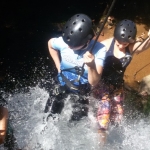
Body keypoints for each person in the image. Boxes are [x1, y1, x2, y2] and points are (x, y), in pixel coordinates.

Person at [92, 19, 150, 132]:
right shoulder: (105, 45)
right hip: (102, 86)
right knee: (104, 120)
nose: (121, 46)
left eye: (125, 44)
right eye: (118, 43)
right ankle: (100, 143)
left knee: (118, 117)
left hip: (118, 87)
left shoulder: (131, 47)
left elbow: (143, 46)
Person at [45, 14, 106, 118]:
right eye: (68, 44)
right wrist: (58, 66)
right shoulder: (65, 43)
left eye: (73, 45)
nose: (69, 47)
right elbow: (50, 44)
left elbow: (94, 81)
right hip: (62, 83)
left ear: (87, 40)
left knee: (77, 121)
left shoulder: (99, 49)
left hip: (82, 90)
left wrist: (91, 66)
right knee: (49, 116)